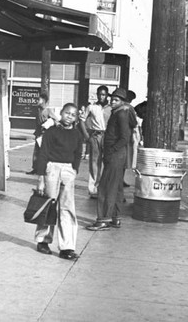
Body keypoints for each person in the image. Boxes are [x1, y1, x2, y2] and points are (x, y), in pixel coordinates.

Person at [35, 103, 83, 260]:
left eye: (73, 114)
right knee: (49, 205)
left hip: (68, 171)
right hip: (52, 169)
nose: (69, 116)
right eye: (67, 113)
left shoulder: (77, 134)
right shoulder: (51, 131)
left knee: (67, 208)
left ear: (76, 118)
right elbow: (43, 154)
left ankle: (67, 247)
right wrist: (41, 177)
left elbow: (78, 154)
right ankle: (43, 241)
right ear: (61, 113)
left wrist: (74, 170)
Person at [86, 88, 136, 231]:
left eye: (116, 100)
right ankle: (115, 218)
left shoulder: (121, 114)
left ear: (123, 102)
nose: (112, 102)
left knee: (105, 187)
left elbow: (124, 138)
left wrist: (111, 151)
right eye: (112, 99)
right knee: (117, 188)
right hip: (118, 156)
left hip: (115, 156)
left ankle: (103, 219)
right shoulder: (122, 112)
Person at [79, 85, 111, 198]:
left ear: (107, 95)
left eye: (103, 94)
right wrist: (87, 136)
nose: (101, 97)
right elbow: (81, 120)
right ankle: (93, 189)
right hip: (95, 136)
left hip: (108, 137)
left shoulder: (111, 108)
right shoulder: (91, 107)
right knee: (94, 162)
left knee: (107, 162)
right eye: (99, 94)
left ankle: (104, 188)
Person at [26, 92, 59, 175]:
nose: (37, 100)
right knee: (36, 152)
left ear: (44, 101)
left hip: (46, 135)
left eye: (39, 99)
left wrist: (49, 124)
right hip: (38, 134)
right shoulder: (38, 110)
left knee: (45, 152)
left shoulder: (48, 110)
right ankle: (35, 168)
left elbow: (56, 120)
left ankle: (45, 169)